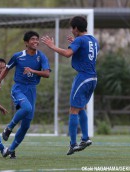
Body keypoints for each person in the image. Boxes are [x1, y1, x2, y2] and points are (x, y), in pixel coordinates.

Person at [41, 16, 99, 155]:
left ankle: (73, 144)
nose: (72, 31)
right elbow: (87, 54)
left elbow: (67, 54)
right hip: (93, 78)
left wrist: (52, 46)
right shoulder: (93, 40)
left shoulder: (80, 39)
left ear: (76, 28)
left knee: (73, 110)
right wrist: (76, 43)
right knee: (80, 108)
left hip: (83, 77)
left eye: (72, 28)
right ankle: (85, 138)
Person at [0, 31, 51, 158]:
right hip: (18, 89)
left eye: (37, 39)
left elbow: (47, 74)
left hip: (32, 90)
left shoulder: (41, 56)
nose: (35, 41)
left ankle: (11, 150)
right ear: (26, 42)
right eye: (32, 39)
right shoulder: (18, 56)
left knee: (26, 125)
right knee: (27, 108)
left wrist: (32, 71)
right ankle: (8, 128)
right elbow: (7, 68)